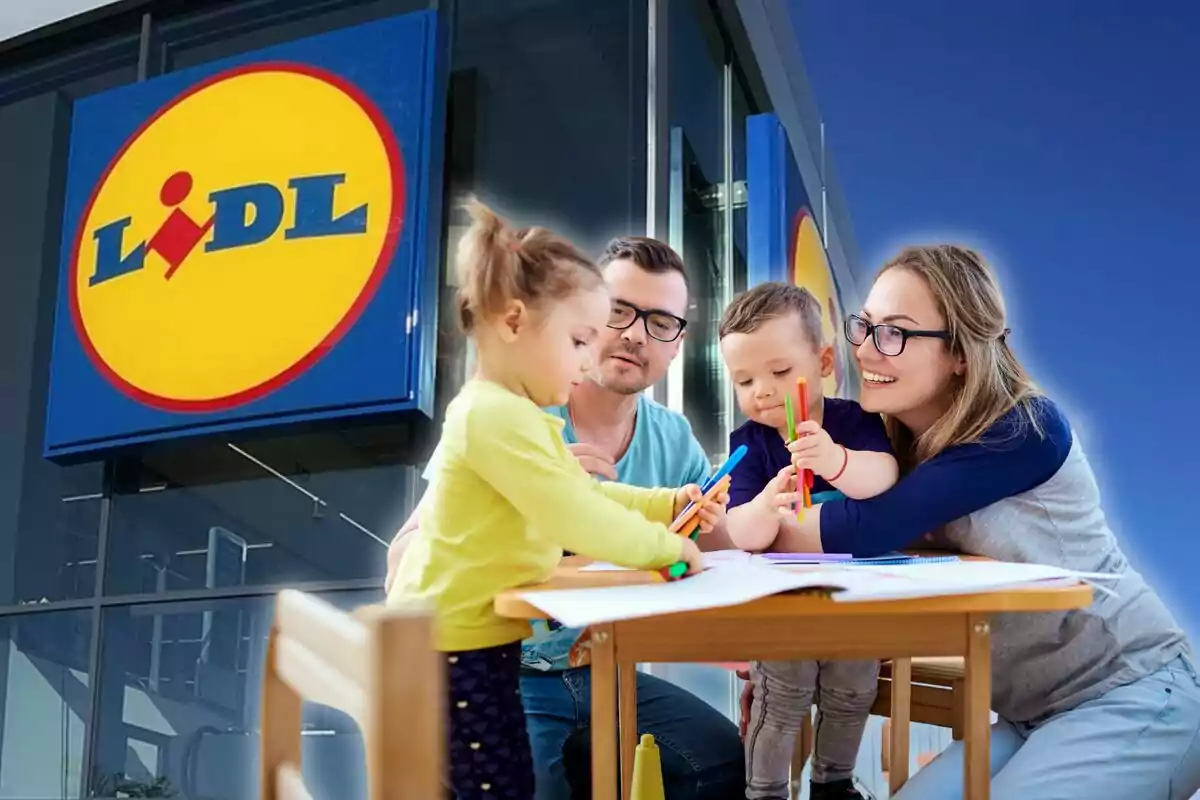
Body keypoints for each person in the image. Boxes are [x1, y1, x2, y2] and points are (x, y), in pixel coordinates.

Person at [741, 245, 1200, 799]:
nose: (865, 348)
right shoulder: (891, 449)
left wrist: (759, 527)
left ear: (960, 352)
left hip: (1134, 689)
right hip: (1027, 714)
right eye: (865, 326)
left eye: (895, 332)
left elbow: (866, 531)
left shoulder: (1023, 428)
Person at [386, 234, 746, 799]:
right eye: (617, 312)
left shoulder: (672, 436)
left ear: (677, 344)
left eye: (660, 322)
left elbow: (715, 549)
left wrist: (697, 511)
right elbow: (402, 558)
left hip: (600, 670)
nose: (631, 334)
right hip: (497, 666)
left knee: (722, 763)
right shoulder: (514, 410)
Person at [720, 283, 898, 800]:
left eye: (779, 372)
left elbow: (884, 477)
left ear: (823, 361)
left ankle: (834, 784)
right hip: (784, 608)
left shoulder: (852, 421)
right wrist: (763, 508)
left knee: (852, 693)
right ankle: (765, 790)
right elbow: (744, 534)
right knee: (781, 700)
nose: (762, 391)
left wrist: (836, 461)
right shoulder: (748, 444)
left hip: (854, 602)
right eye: (744, 380)